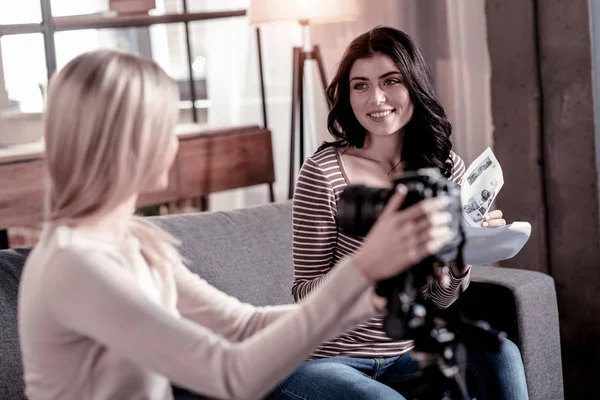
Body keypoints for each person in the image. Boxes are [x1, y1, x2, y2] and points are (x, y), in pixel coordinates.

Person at [17, 50, 455, 400]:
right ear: (123, 142)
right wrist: (363, 268)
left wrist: (370, 302)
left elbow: (243, 325)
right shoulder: (75, 265)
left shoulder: (132, 240)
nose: (174, 141)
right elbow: (231, 377)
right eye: (163, 126)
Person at [275, 26, 528, 400]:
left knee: (500, 354)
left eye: (390, 81)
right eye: (360, 85)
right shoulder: (323, 172)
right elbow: (304, 295)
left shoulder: (443, 168)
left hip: (408, 352)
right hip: (324, 359)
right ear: (347, 94)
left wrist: (462, 255)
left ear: (413, 84)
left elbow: (442, 300)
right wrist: (376, 259)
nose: (376, 98)